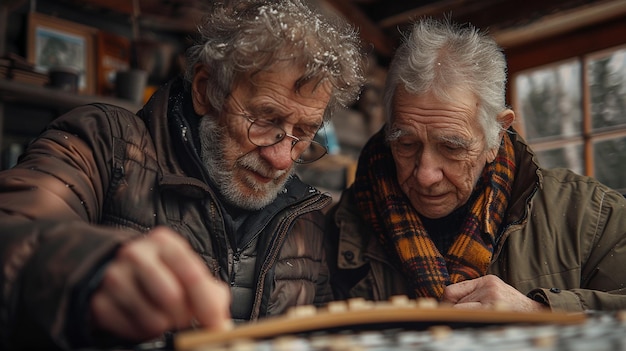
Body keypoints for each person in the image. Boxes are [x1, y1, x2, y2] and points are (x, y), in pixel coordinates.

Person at [0, 1, 365, 350]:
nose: (282, 158)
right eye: (265, 120)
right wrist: (86, 273)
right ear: (206, 89)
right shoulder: (101, 144)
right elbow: (14, 236)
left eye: (302, 133)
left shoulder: (307, 219)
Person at [326, 17, 626, 313]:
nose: (426, 175)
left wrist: (539, 313)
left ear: (496, 134)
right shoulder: (341, 226)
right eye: (406, 144)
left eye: (451, 147)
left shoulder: (591, 216)